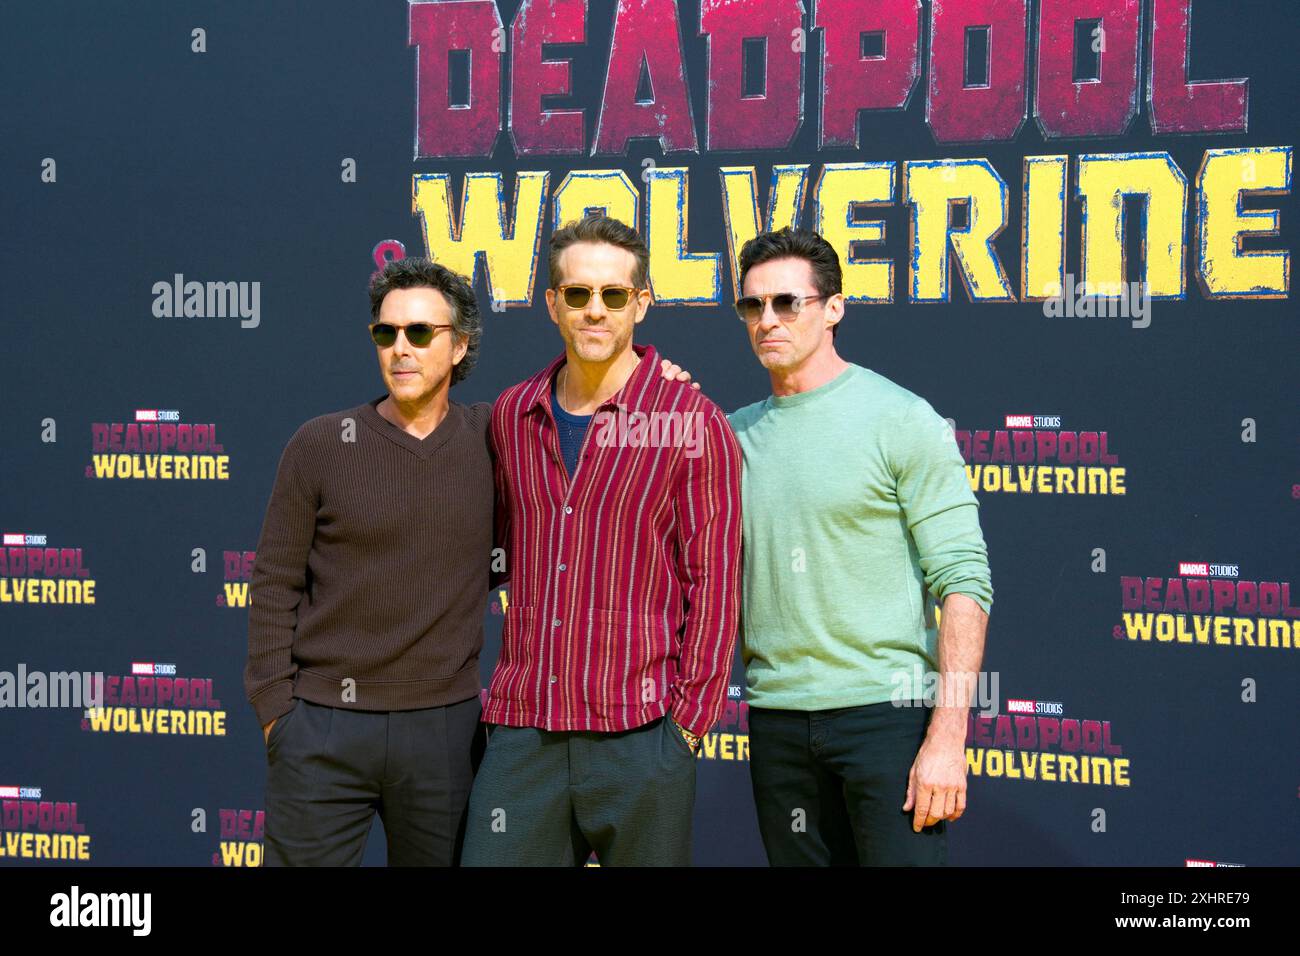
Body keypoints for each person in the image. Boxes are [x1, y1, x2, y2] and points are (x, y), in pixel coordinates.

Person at [461, 214, 743, 866]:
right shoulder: (513, 412)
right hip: (522, 731)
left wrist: (686, 728)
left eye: (614, 295)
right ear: (552, 302)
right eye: (578, 294)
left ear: (641, 303)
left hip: (641, 737)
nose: (596, 310)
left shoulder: (689, 421)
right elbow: (492, 554)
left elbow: (716, 580)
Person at [727, 227, 993, 866]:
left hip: (887, 718)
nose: (768, 320)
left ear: (833, 308)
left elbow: (963, 580)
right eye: (752, 305)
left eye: (788, 302)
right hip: (776, 720)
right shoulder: (729, 436)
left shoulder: (900, 418)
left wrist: (948, 737)